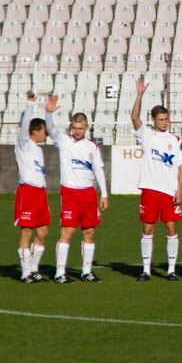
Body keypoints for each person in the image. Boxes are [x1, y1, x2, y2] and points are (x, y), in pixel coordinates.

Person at [45, 97, 109, 283]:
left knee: (89, 232)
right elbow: (50, 130)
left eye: (80, 128)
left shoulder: (92, 147)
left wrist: (104, 194)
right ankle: (59, 273)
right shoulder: (63, 141)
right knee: (68, 232)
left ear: (86, 127)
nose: (77, 131)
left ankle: (86, 271)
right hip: (70, 193)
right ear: (71, 126)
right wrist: (48, 113)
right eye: (75, 127)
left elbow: (98, 169)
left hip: (88, 193)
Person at [130, 76, 182, 282]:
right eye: (161, 119)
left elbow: (181, 167)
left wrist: (179, 190)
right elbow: (134, 117)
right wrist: (139, 95)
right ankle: (146, 270)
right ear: (154, 120)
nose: (165, 122)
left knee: (172, 229)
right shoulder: (146, 135)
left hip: (169, 192)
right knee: (148, 228)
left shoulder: (175, 139)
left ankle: (171, 270)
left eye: (166, 119)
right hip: (150, 190)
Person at [14, 92, 50, 283]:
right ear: (34, 131)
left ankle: (34, 269)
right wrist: (30, 104)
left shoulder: (39, 149)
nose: (46, 134)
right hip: (27, 192)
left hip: (40, 193)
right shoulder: (23, 144)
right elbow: (23, 127)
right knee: (27, 232)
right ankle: (25, 272)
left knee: (43, 232)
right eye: (43, 130)